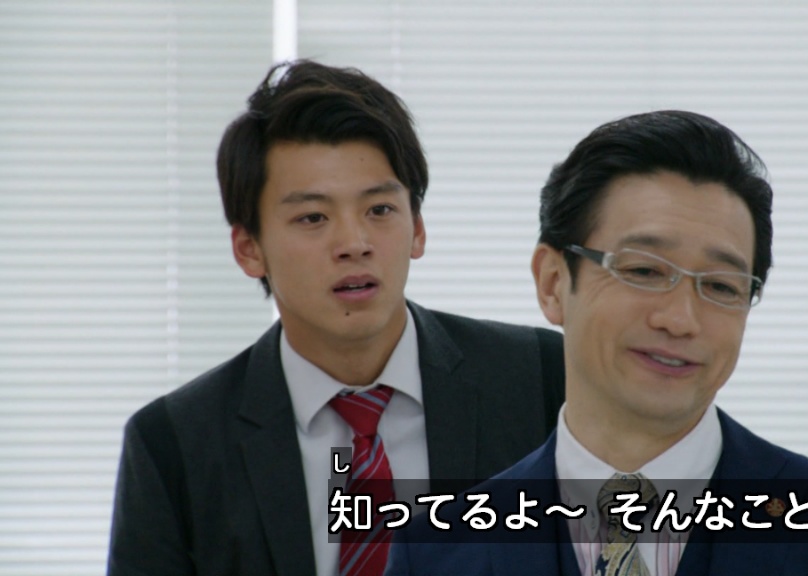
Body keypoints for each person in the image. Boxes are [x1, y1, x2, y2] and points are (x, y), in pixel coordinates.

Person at [385, 110, 808, 575]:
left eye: (721, 286)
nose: (681, 319)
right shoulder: (435, 549)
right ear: (553, 283)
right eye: (644, 271)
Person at [106, 60, 565, 576]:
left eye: (379, 210)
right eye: (313, 217)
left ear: (417, 228)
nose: (354, 243)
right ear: (249, 248)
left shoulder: (545, 381)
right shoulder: (172, 446)